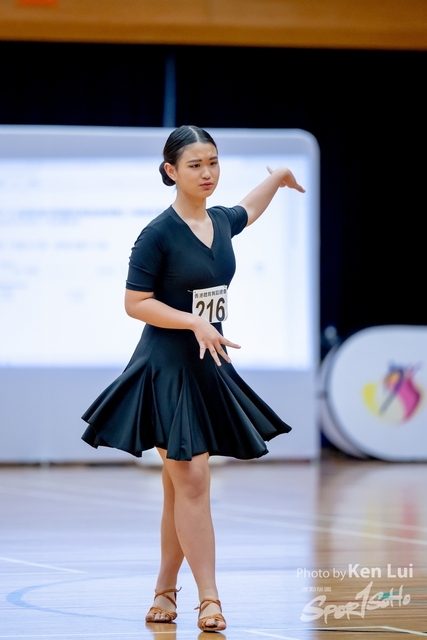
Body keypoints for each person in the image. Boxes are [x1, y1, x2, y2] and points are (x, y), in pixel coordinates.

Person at [81, 125, 305, 632]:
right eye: (195, 165)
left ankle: (165, 588)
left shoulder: (220, 221)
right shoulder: (157, 234)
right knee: (193, 480)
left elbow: (249, 208)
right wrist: (192, 322)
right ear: (171, 171)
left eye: (213, 163)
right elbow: (135, 303)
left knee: (179, 487)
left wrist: (280, 178)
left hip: (208, 368)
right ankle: (210, 598)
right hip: (165, 369)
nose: (207, 173)